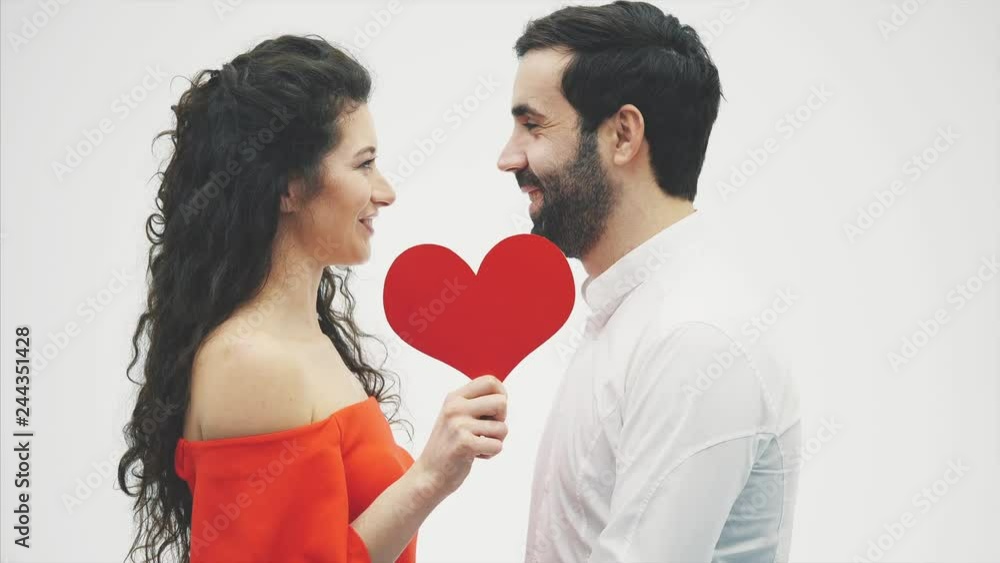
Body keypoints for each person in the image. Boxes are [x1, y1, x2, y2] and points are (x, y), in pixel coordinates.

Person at [117, 34, 509, 563]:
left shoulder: (305, 342)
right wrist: (430, 478)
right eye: (363, 164)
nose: (385, 190)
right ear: (289, 188)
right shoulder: (250, 361)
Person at [497, 2, 802, 561]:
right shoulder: (638, 317)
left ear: (622, 135)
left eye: (532, 125)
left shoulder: (694, 336)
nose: (507, 157)